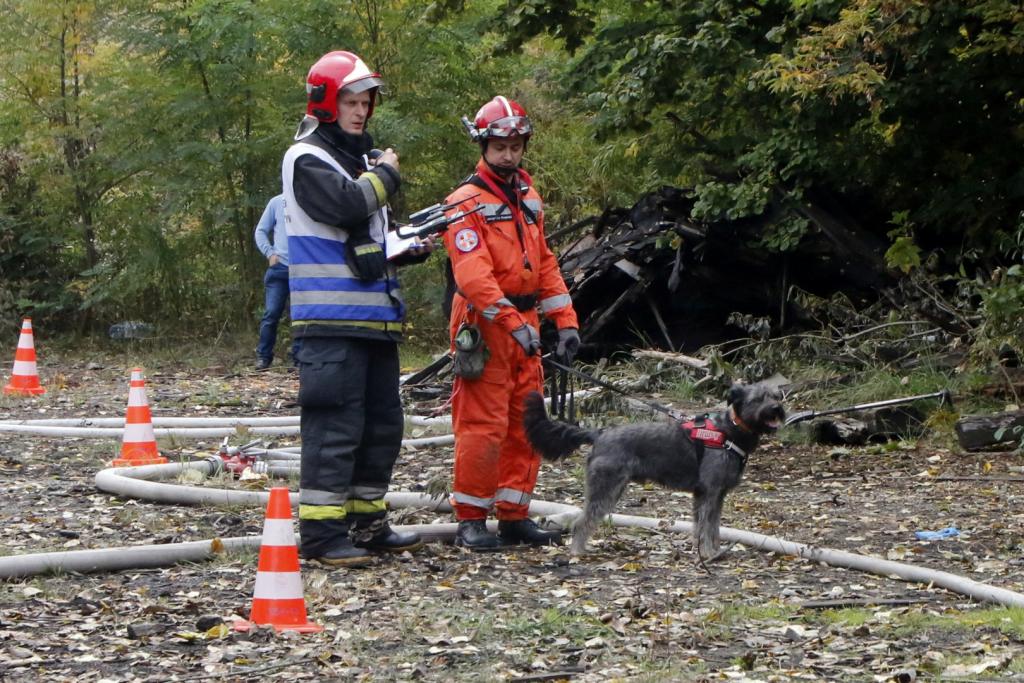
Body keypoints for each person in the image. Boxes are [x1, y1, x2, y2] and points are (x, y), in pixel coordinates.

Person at [282, 50, 430, 567]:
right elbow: (346, 206)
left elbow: (359, 240)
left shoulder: (355, 163)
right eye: (351, 101)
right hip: (329, 323)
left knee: (381, 428)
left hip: (374, 322)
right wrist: (387, 174)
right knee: (335, 429)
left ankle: (368, 523)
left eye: (366, 102)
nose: (361, 110)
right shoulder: (306, 158)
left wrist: (402, 247)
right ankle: (323, 536)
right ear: (326, 102)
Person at [443, 95, 581, 550]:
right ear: (484, 145)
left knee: (527, 420)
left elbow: (544, 263)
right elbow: (473, 275)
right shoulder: (464, 203)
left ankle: (514, 514)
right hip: (484, 324)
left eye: (516, 147)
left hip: (524, 319)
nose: (508, 155)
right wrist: (510, 322)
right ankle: (471, 518)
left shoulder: (528, 198)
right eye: (500, 147)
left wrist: (565, 321)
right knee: (483, 424)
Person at [253, 194, 298, 371]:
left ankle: (298, 358)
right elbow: (260, 230)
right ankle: (263, 357)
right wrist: (269, 253)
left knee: (300, 316)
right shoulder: (277, 202)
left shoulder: (310, 199)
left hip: (303, 270)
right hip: (279, 269)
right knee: (271, 314)